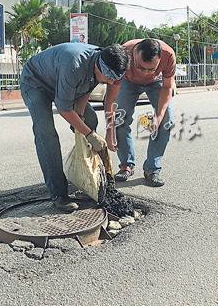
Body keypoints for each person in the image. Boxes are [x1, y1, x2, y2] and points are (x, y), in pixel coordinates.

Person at [19, 43, 131, 211]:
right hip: (36, 82)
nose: (110, 82)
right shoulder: (74, 65)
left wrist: (82, 120)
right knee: (46, 132)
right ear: (97, 64)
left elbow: (87, 88)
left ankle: (83, 174)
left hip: (63, 82)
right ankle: (58, 193)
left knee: (90, 119)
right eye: (107, 78)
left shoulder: (109, 64)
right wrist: (89, 134)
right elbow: (63, 108)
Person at [112, 38, 175, 187]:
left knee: (166, 120)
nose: (145, 73)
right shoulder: (124, 52)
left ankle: (152, 169)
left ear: (159, 60)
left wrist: (158, 118)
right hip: (128, 82)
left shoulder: (169, 55)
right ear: (134, 54)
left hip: (157, 83)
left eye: (151, 68)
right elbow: (113, 87)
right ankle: (126, 165)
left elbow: (167, 88)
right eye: (140, 67)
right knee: (120, 118)